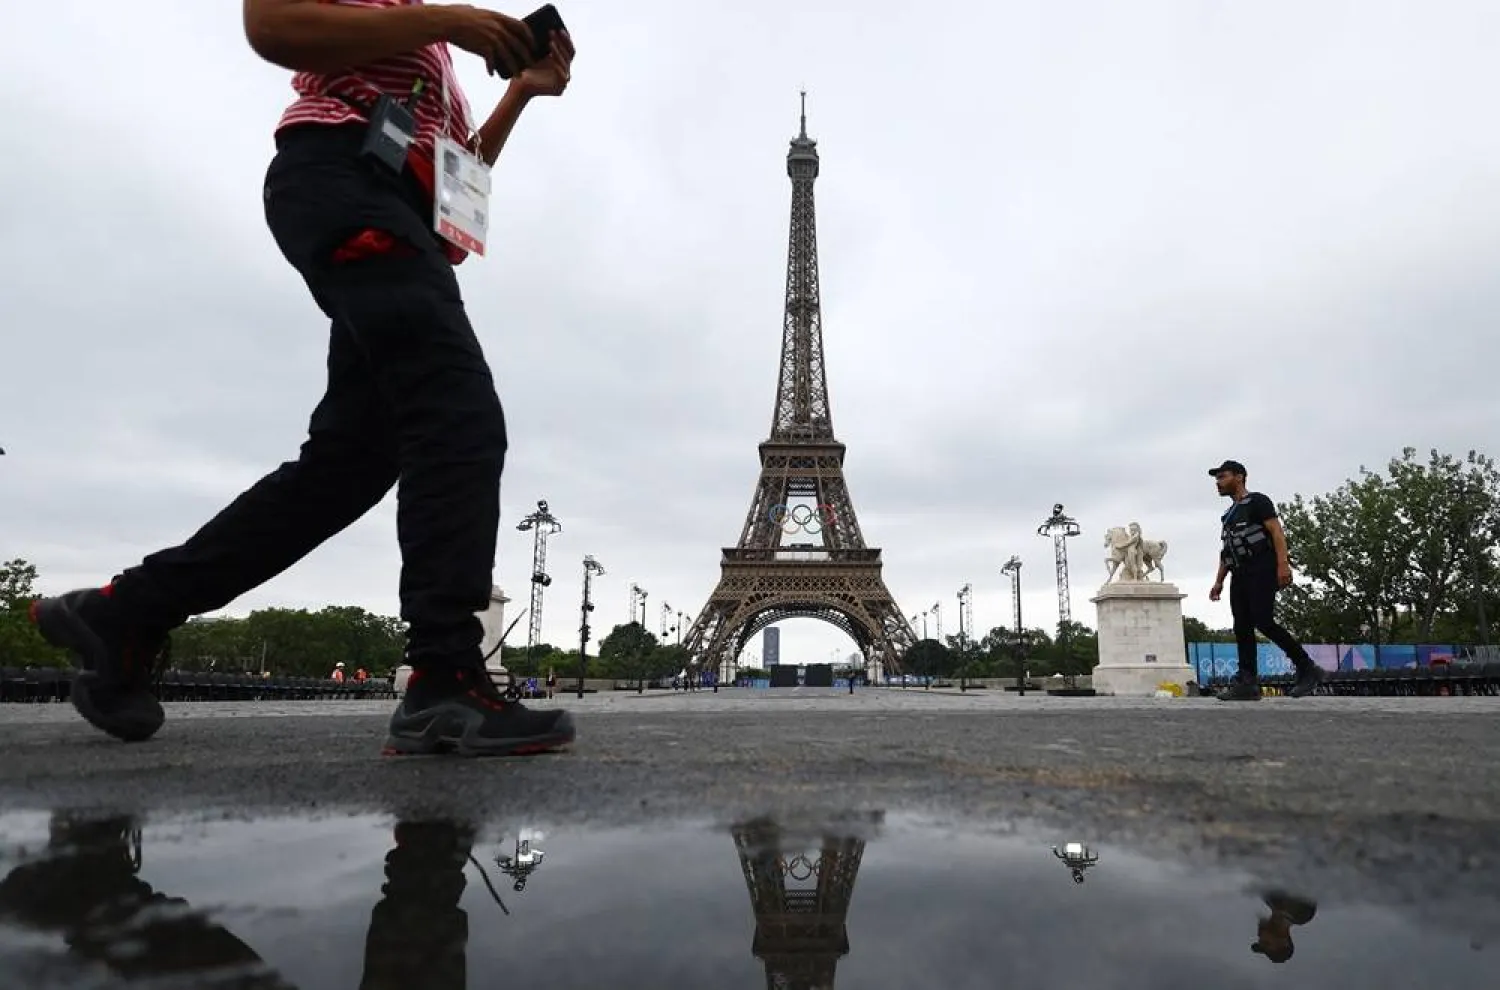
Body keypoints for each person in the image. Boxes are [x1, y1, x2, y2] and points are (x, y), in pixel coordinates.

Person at [27, 0, 577, 758]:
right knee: (456, 416)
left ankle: (126, 614)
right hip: (343, 179)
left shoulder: (432, 58)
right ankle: (444, 680)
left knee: (347, 466)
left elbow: (459, 179)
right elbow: (271, 26)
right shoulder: (411, 25)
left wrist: (521, 91)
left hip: (392, 211)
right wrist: (452, 22)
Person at [1208, 460, 1326, 701]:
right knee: (1241, 626)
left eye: (1223, 476)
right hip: (1238, 573)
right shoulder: (1228, 515)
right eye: (1217, 478)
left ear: (1239, 477)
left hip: (1261, 568)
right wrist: (1219, 581)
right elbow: (1227, 550)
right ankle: (1247, 682)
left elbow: (1276, 532)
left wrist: (1283, 564)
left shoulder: (1258, 501)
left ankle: (1308, 668)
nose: (1218, 482)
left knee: (1263, 620)